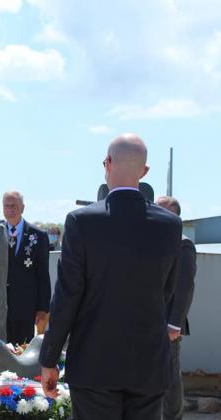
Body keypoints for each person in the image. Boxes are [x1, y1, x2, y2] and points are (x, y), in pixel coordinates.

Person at [40, 134, 182, 420]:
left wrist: (49, 359)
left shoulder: (81, 222)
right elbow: (166, 292)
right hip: (148, 365)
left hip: (94, 365)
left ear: (106, 164)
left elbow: (68, 296)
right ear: (144, 172)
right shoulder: (170, 226)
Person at [156, 196, 197, 420]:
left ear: (175, 215)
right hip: (150, 321)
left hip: (168, 325)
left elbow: (185, 288)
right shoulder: (154, 241)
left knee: (170, 377)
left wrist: (174, 324)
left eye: (162, 210)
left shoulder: (182, 243)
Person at [3, 191, 51, 344]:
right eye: (6, 206)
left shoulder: (38, 236)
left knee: (23, 350)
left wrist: (43, 308)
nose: (10, 209)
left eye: (14, 206)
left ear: (22, 208)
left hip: (26, 307)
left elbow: (43, 275)